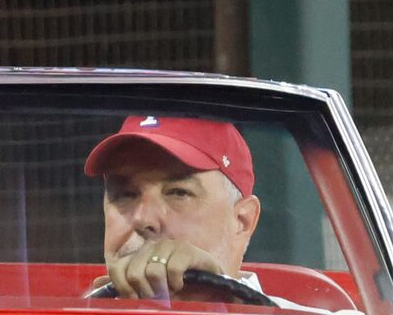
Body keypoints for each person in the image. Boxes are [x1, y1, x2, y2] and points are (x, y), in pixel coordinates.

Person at [87, 115, 280, 301]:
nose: (143, 218)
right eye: (125, 194)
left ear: (241, 221)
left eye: (178, 193)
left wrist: (223, 305)